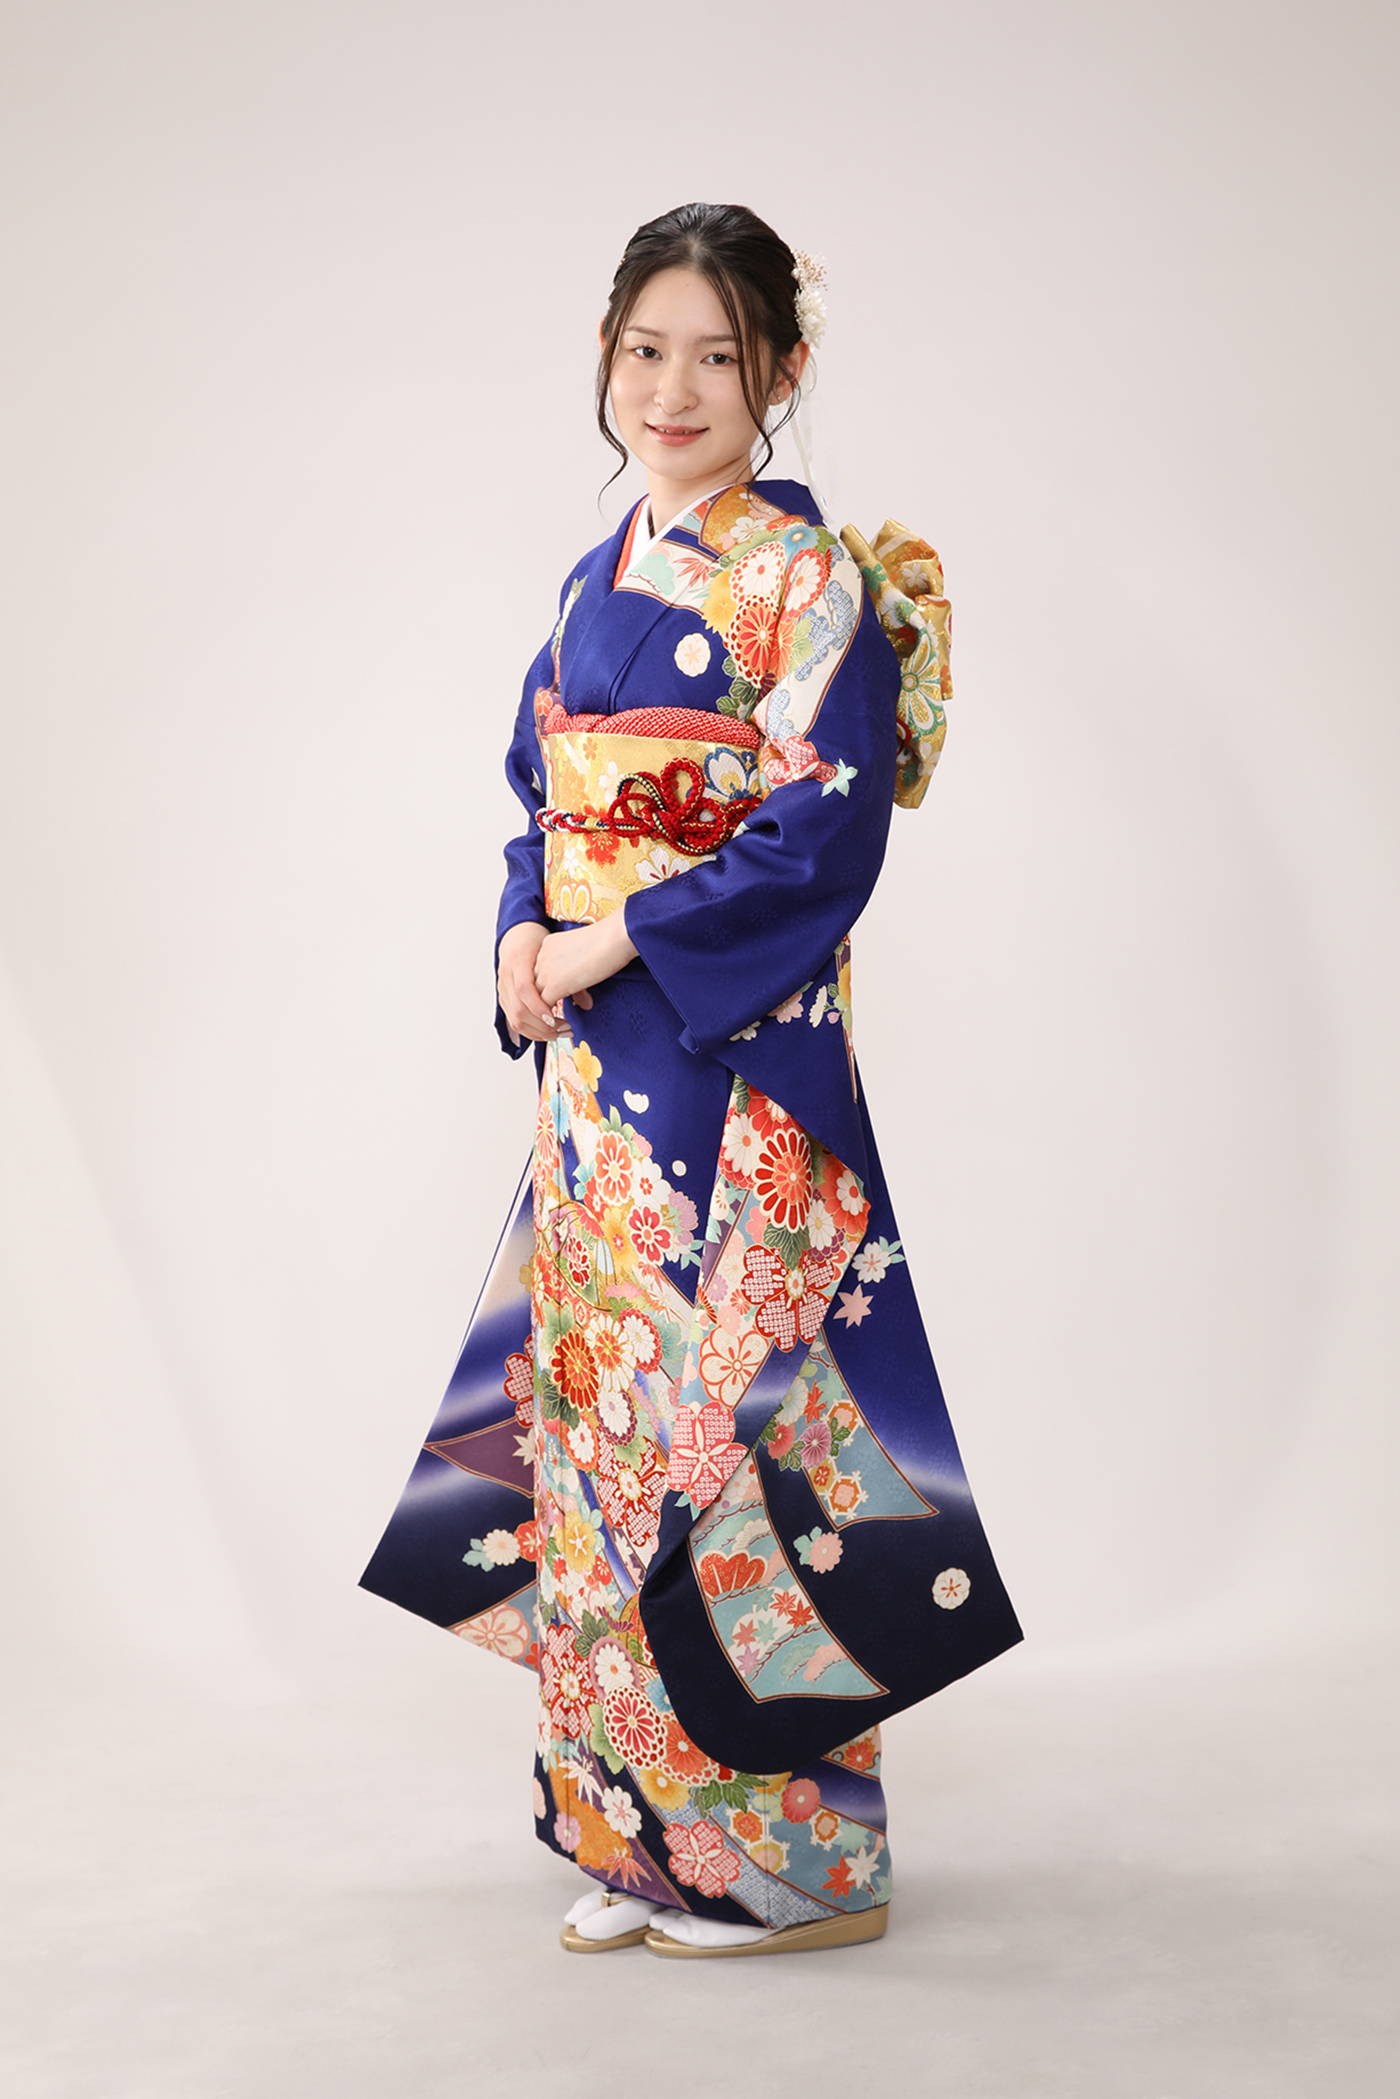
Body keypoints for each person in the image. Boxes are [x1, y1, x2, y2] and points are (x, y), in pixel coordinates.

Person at [362, 202, 1021, 1957]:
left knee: (731, 1445)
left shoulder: (802, 583)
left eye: (716, 355)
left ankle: (790, 1871)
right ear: (606, 358)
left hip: (735, 1072)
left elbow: (824, 831)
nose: (674, 389)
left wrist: (611, 937)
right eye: (645, 350)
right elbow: (540, 790)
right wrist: (524, 927)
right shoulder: (593, 583)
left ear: (778, 373)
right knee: (601, 1433)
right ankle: (637, 1841)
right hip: (599, 1083)